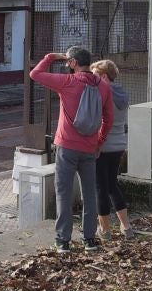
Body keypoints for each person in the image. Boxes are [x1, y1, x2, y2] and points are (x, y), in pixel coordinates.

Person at [30, 46, 112, 251]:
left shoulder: (67, 82)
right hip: (89, 148)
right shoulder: (103, 86)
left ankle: (63, 240)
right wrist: (99, 142)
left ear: (74, 63)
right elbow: (108, 119)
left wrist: (50, 56)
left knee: (64, 193)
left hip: (66, 146)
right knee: (90, 193)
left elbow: (35, 74)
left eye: (68, 61)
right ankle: (89, 239)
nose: (66, 64)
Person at [90, 60, 135, 240]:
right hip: (119, 145)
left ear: (103, 76)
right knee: (112, 185)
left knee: (100, 188)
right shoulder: (122, 93)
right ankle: (126, 227)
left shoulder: (102, 92)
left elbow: (99, 121)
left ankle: (105, 231)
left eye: (94, 75)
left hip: (103, 146)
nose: (91, 79)